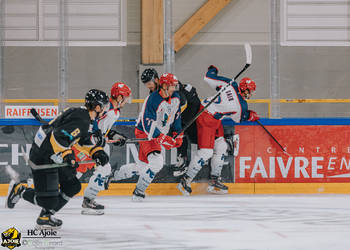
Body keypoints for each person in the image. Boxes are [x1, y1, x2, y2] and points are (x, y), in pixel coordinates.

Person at [6, 89, 110, 229]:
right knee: (48, 202)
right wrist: (68, 155)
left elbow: (79, 138)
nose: (104, 109)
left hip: (53, 153)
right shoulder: (82, 119)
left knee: (72, 186)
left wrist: (96, 152)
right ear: (97, 107)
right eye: (103, 106)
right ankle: (21, 189)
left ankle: (45, 217)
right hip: (43, 155)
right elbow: (58, 137)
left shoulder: (82, 115)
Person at [177, 65, 258, 195]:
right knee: (205, 153)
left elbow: (208, 78)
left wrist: (212, 69)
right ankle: (185, 180)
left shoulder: (230, 84)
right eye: (250, 92)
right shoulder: (241, 106)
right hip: (206, 119)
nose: (251, 94)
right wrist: (250, 115)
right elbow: (239, 118)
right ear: (245, 91)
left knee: (221, 146)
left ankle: (214, 181)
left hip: (212, 116)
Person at [78, 82, 131, 215]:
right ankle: (87, 200)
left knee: (80, 172)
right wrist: (100, 138)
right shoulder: (111, 110)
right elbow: (95, 126)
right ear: (119, 97)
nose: (126, 101)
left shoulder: (111, 109)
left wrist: (114, 136)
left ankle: (86, 199)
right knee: (96, 169)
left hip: (88, 143)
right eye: (125, 97)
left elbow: (102, 129)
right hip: (86, 144)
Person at [132, 73, 183, 201]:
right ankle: (138, 192)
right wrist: (160, 137)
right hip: (145, 132)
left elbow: (176, 117)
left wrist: (178, 134)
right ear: (164, 85)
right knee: (157, 162)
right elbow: (146, 122)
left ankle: (114, 175)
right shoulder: (152, 99)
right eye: (172, 86)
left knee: (141, 168)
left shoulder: (176, 98)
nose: (174, 89)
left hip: (158, 133)